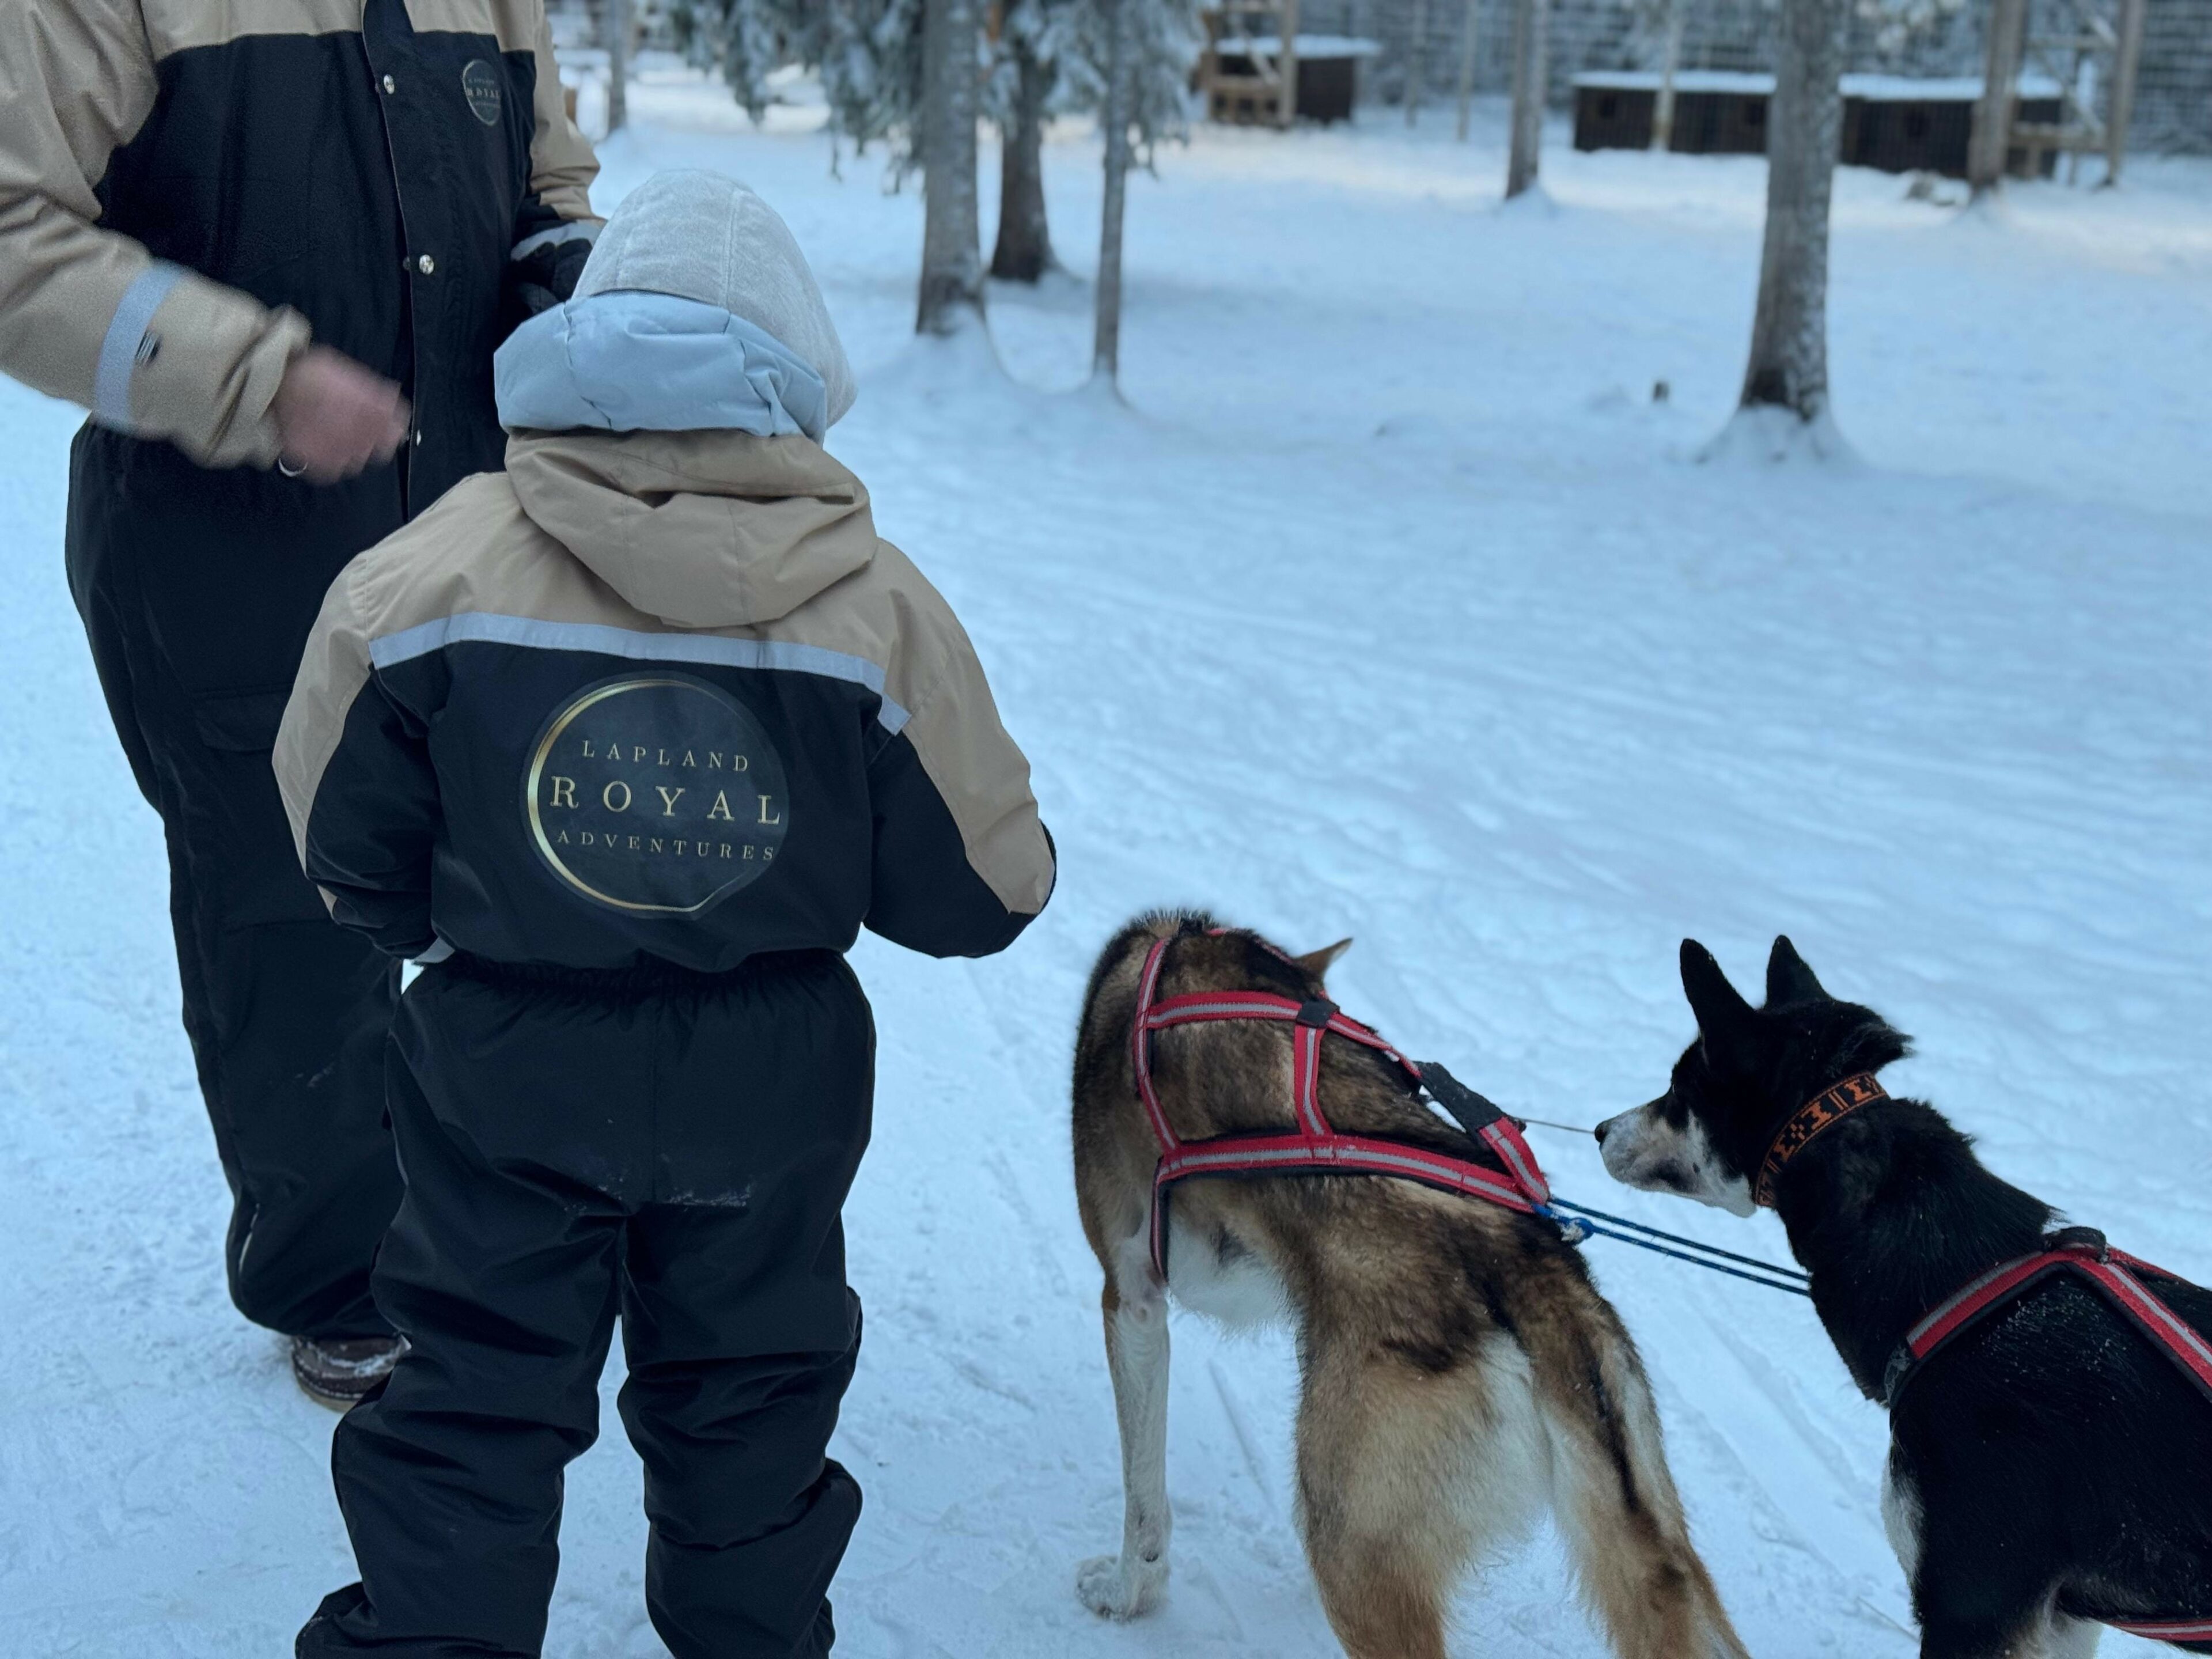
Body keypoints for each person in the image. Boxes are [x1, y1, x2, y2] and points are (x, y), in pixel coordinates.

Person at [274, 169, 1057, 1658]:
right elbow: (983, 896)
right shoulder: (877, 606)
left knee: (475, 1384)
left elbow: (340, 841)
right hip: (768, 1078)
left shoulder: (428, 572)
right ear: (799, 368)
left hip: (505, 1055)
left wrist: (449, 929)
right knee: (751, 1389)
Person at [0, 1, 601, 1405]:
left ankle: (511, 1221)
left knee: (512, 892)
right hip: (223, 552)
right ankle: (344, 1281)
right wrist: (254, 379)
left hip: (473, 528)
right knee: (291, 921)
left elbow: (549, 183)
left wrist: (574, 278)